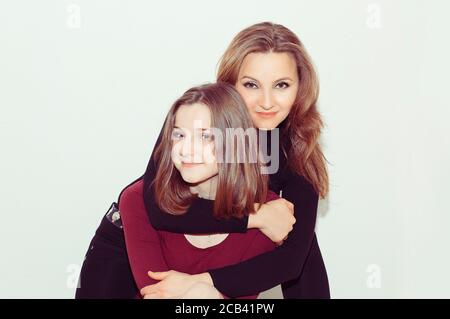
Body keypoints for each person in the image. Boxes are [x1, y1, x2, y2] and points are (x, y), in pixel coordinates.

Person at [140, 21, 330, 299]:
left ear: (300, 88)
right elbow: (157, 209)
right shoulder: (197, 115)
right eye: (251, 85)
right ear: (229, 84)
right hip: (133, 241)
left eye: (281, 85)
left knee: (300, 237)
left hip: (204, 261)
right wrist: (255, 217)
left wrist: (203, 282)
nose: (267, 102)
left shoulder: (296, 146)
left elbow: (292, 260)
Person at [76, 83, 288, 299]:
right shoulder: (140, 199)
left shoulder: (270, 214)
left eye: (205, 136)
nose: (186, 149)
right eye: (179, 135)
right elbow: (156, 293)